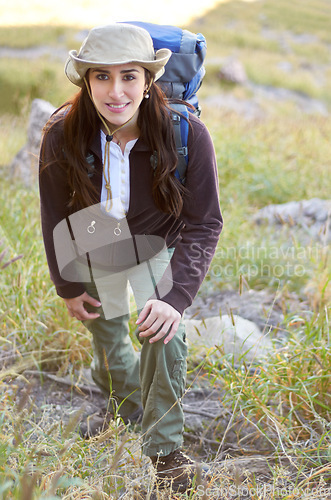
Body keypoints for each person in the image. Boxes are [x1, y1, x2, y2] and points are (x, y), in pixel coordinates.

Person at [39, 23, 222, 493]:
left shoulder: (186, 135)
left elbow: (205, 223)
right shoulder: (62, 133)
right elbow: (55, 212)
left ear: (148, 81)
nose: (115, 91)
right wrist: (67, 285)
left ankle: (164, 451)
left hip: (156, 239)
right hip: (94, 235)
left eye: (129, 77)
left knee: (163, 333)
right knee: (106, 335)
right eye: (101, 76)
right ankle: (123, 404)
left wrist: (174, 297)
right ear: (85, 81)